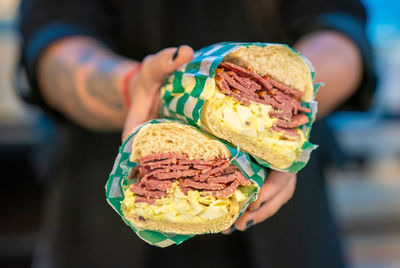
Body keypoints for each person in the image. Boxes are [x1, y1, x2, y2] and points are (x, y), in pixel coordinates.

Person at [17, 0, 375, 267]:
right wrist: (133, 87)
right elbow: (54, 48)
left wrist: (288, 105)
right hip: (101, 220)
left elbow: (339, 33)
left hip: (289, 226)